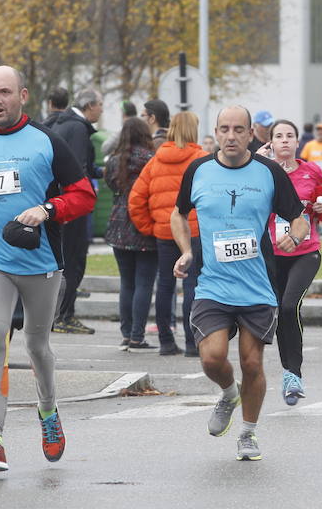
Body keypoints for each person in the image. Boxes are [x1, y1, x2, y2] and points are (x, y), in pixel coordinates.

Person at [0, 65, 96, 473]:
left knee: (35, 346)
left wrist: (48, 209)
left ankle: (48, 412)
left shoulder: (47, 142)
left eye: (5, 93)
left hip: (41, 261)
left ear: (23, 95)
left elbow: (83, 195)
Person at [171, 105, 308, 461]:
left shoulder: (269, 172)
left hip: (257, 285)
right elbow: (178, 214)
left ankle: (248, 433)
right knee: (212, 358)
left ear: (251, 134)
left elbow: (298, 217)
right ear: (215, 133)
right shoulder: (198, 170)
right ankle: (229, 393)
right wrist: (186, 251)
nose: (231, 136)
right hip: (213, 284)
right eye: (224, 129)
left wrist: (294, 235)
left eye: (238, 130)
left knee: (252, 363)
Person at [129, 112, 207, 356]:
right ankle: (193, 343)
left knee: (165, 284)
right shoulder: (203, 159)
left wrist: (150, 227)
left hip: (164, 232)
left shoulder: (156, 160)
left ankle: (166, 340)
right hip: (194, 230)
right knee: (193, 285)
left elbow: (136, 199)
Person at [264, 119, 322, 405]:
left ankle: (294, 373)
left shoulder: (310, 170)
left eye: (290, 136)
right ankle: (289, 375)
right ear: (271, 143)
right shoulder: (263, 172)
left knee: (291, 305)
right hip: (273, 254)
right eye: (279, 136)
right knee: (281, 311)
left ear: (297, 141)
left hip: (306, 251)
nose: (285, 141)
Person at [43, 87, 99, 334]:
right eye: (100, 105)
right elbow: (77, 169)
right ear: (89, 106)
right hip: (70, 204)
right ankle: (65, 314)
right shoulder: (77, 127)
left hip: (57, 202)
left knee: (65, 259)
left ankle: (59, 313)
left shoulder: (59, 123)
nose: (101, 110)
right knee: (74, 259)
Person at [104, 117, 158, 350]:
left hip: (118, 225)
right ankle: (138, 335)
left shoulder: (115, 161)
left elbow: (110, 186)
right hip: (143, 225)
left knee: (126, 283)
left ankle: (126, 333)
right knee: (144, 283)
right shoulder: (150, 160)